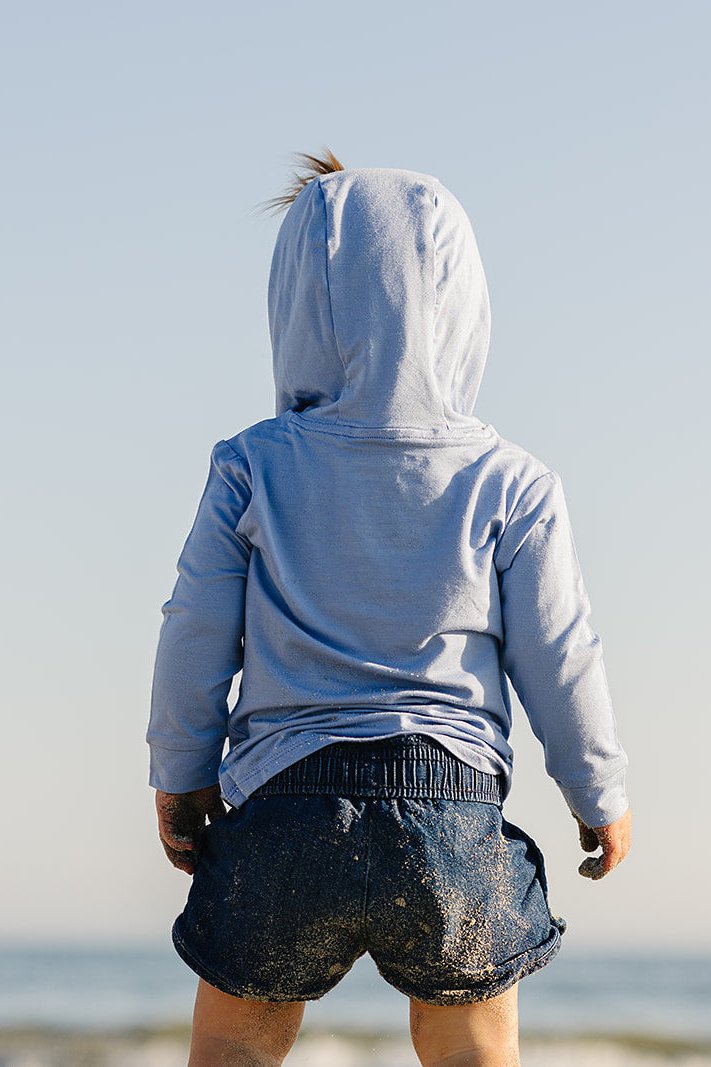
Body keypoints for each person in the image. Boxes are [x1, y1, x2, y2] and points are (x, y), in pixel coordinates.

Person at [147, 150, 631, 1067]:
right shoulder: (511, 480)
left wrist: (180, 773)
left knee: (236, 1048)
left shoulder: (252, 464)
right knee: (471, 1050)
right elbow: (561, 654)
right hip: (450, 811)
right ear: (457, 306)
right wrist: (596, 789)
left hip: (285, 801)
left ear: (294, 309)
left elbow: (195, 628)